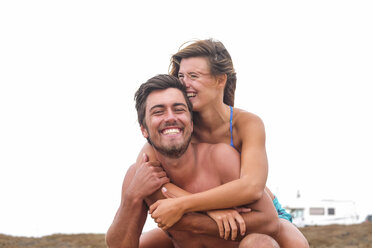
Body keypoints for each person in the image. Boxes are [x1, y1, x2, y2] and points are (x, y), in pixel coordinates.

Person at [139, 39, 309, 247]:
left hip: (256, 209)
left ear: (220, 80)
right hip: (203, 211)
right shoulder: (179, 126)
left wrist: (186, 204)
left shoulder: (246, 124)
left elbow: (252, 187)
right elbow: (147, 171)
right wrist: (210, 209)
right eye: (181, 76)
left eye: (194, 76)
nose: (184, 83)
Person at [106, 75, 282, 248]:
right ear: (144, 129)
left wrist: (191, 219)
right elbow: (118, 245)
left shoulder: (221, 158)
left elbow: (270, 223)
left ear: (191, 124)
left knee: (261, 244)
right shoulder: (139, 176)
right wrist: (132, 196)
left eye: (179, 109)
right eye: (158, 112)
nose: (170, 118)